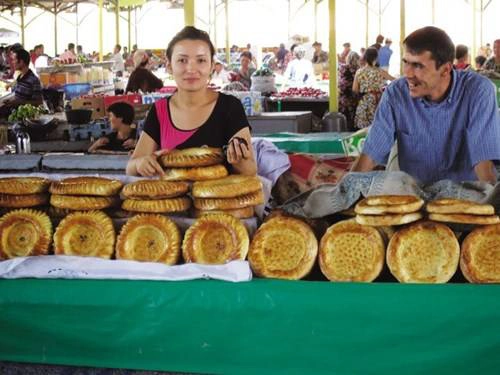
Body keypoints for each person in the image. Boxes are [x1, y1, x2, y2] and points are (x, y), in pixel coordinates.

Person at [351, 26, 500, 184]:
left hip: (465, 198)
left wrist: (491, 203)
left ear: (445, 69)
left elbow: (484, 164)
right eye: (406, 62)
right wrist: (345, 191)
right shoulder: (396, 93)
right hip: (413, 197)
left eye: (417, 66)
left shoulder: (478, 91)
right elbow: (371, 153)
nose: (407, 73)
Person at [126, 26, 257, 177]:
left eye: (201, 60)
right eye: (182, 60)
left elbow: (250, 171)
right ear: (169, 66)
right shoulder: (160, 110)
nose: (191, 68)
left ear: (211, 66)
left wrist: (240, 163)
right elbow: (131, 166)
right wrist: (141, 164)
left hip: (219, 199)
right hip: (171, 199)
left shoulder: (229, 107)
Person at [352, 47, 394, 128]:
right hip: (378, 101)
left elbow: (355, 89)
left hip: (364, 101)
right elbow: (394, 80)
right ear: (376, 57)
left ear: (365, 57)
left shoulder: (359, 72)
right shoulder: (380, 71)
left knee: (364, 129)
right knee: (378, 126)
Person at [0, 48, 43, 118]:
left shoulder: (33, 80)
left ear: (21, 62)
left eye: (14, 60)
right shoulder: (20, 76)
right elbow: (20, 95)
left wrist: (18, 102)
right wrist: (11, 101)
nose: (13, 62)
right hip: (15, 113)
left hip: (25, 118)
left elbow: (38, 102)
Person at [339, 51, 361, 129]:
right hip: (352, 96)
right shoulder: (357, 70)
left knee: (345, 114)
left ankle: (345, 128)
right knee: (352, 115)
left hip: (343, 96)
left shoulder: (342, 68)